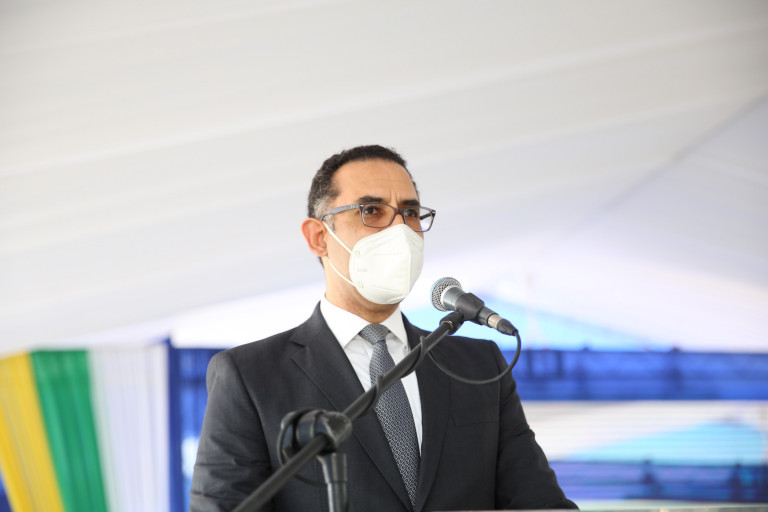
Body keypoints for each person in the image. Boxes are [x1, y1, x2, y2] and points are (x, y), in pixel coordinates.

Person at [190, 145, 577, 511]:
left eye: (410, 212)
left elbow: (539, 502)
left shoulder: (480, 366)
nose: (400, 231)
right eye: (372, 210)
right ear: (319, 237)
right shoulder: (250, 375)